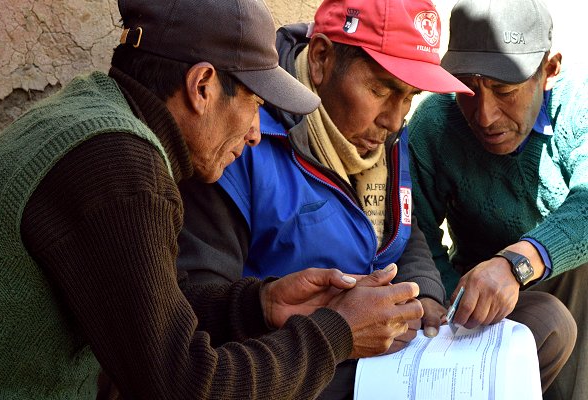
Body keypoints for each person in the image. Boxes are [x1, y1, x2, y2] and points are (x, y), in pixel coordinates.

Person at [0, 0, 427, 398]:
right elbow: (183, 386)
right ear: (202, 86)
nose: (256, 132)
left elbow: (152, 316)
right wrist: (336, 334)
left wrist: (259, 304)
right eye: (255, 104)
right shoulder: (121, 167)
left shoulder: (94, 113)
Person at [177, 0, 572, 397]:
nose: (395, 118)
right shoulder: (242, 143)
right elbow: (202, 310)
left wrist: (428, 296)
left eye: (408, 96)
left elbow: (406, 228)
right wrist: (332, 329)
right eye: (380, 89)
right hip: (304, 362)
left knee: (546, 320)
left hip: (391, 345)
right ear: (320, 59)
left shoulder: (382, 138)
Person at [408, 0, 585, 398]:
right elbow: (413, 231)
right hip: (481, 304)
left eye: (504, 90)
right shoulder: (434, 125)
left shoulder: (579, 106)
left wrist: (517, 263)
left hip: (565, 289)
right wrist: (446, 299)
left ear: (549, 70)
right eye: (467, 89)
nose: (484, 115)